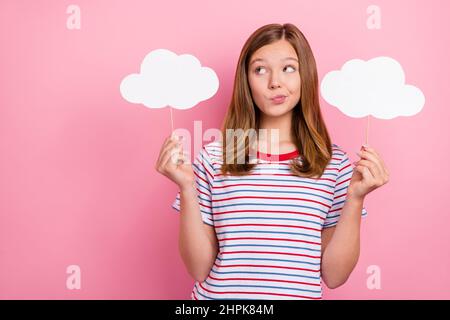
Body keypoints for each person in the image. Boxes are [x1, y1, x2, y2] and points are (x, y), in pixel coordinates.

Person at [155, 23, 389, 300]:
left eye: (288, 68)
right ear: (247, 80)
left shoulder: (334, 164)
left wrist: (355, 198)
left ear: (306, 76)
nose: (275, 82)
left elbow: (334, 276)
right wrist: (186, 186)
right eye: (260, 69)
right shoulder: (214, 158)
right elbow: (198, 268)